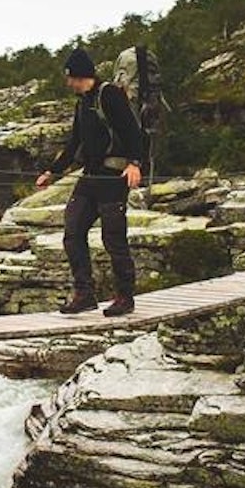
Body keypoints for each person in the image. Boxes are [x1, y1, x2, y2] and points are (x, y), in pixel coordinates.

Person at [36, 47, 143, 317]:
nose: (68, 82)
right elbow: (75, 142)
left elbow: (133, 131)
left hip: (113, 176)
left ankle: (125, 297)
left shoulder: (110, 95)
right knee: (73, 232)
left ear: (80, 75)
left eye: (70, 77)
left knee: (113, 238)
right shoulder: (82, 102)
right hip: (90, 176)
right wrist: (52, 171)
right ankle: (85, 295)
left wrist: (134, 163)